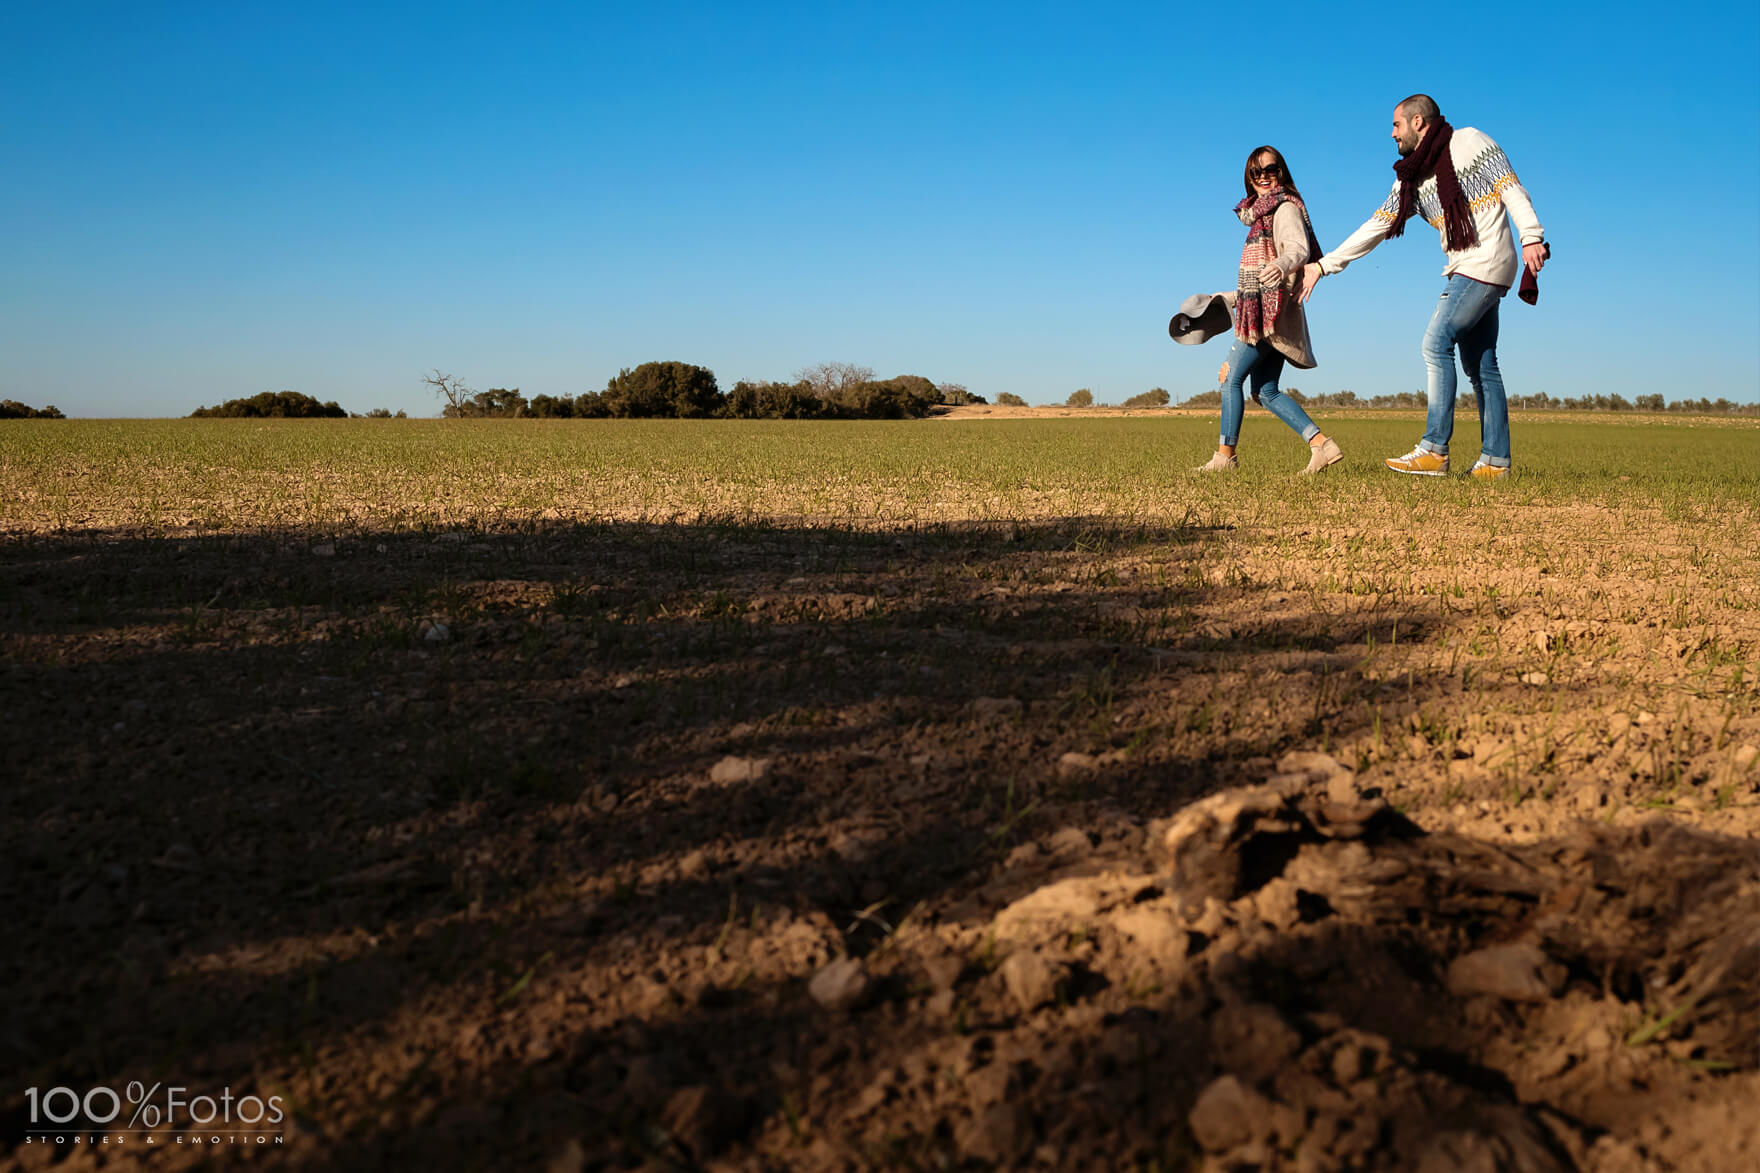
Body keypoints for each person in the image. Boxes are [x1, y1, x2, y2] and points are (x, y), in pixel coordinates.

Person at [1299, 94, 1547, 479]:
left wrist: (1531, 235)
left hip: (1483, 263)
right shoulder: (1412, 178)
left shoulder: (1469, 142)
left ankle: (1434, 448)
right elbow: (1377, 225)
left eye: (1396, 125)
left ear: (1418, 122)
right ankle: (1496, 461)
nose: (1392, 133)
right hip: (1466, 267)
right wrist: (1324, 266)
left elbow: (1510, 186)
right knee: (1482, 366)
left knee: (1435, 343)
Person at [1194, 146, 1344, 475]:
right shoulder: (1261, 216)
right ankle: (1321, 445)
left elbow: (1298, 250)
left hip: (1267, 314)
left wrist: (1280, 264)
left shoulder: (1285, 208)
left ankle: (1225, 458)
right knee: (1265, 391)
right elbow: (1257, 281)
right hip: (1265, 307)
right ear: (1248, 179)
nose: (1263, 177)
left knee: (1230, 380)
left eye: (1270, 170)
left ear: (1282, 173)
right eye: (1255, 172)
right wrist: (1225, 297)